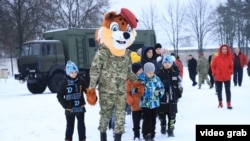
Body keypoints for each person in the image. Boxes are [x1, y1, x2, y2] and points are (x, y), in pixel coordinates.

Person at [57, 60, 89, 141]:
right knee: (70, 126)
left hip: (80, 108)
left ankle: (82, 139)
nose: (74, 74)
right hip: (69, 109)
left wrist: (92, 97)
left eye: (75, 72)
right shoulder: (64, 83)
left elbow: (87, 90)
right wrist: (65, 105)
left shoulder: (81, 81)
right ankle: (68, 139)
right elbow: (59, 96)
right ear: (68, 73)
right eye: (72, 72)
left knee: (81, 126)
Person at [157, 55, 183, 137]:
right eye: (165, 62)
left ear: (171, 63)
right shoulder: (159, 74)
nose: (167, 64)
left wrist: (179, 91)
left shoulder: (175, 73)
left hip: (172, 98)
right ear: (163, 63)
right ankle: (163, 125)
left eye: (169, 62)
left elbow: (179, 83)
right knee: (162, 115)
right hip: (162, 98)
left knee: (172, 115)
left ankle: (171, 129)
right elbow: (155, 84)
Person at [137, 62, 165, 141]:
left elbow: (161, 88)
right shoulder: (141, 79)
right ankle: (146, 133)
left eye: (152, 72)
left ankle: (152, 133)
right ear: (145, 72)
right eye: (149, 73)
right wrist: (139, 91)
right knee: (147, 119)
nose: (151, 74)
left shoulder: (156, 78)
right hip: (145, 104)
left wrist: (159, 93)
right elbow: (135, 89)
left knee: (153, 119)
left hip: (155, 103)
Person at [211, 44, 233, 109]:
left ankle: (228, 103)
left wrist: (230, 71)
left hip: (227, 76)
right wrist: (215, 73)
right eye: (223, 49)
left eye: (225, 49)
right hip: (218, 76)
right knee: (219, 90)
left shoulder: (229, 58)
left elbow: (231, 66)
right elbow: (213, 66)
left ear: (227, 50)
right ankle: (220, 102)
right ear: (221, 50)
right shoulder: (216, 58)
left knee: (228, 90)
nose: (224, 50)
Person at [126, 62, 144, 140]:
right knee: (136, 122)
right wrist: (131, 100)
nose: (141, 71)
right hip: (135, 105)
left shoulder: (145, 78)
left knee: (146, 120)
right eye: (139, 70)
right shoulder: (129, 81)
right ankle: (136, 135)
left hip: (145, 104)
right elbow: (127, 92)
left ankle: (146, 133)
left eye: (141, 69)